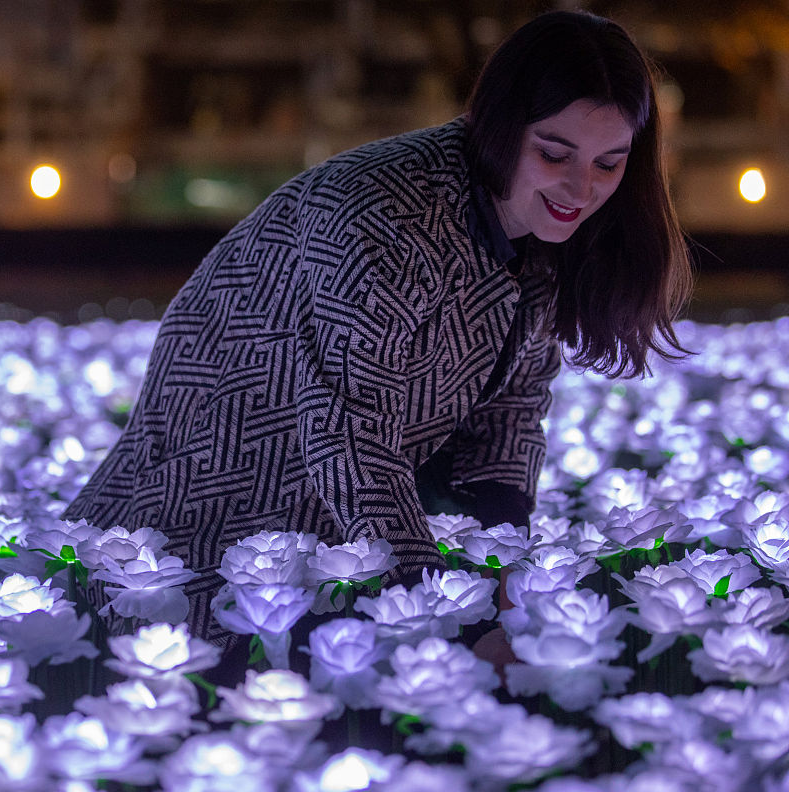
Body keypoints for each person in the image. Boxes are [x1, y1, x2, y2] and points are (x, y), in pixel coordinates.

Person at [64, 10, 693, 644]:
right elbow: (351, 434)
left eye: (609, 164)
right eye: (555, 152)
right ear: (501, 127)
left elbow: (512, 405)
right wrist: (442, 616)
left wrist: (499, 559)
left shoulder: (539, 229)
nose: (581, 187)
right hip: (194, 527)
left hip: (338, 545)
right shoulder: (382, 217)